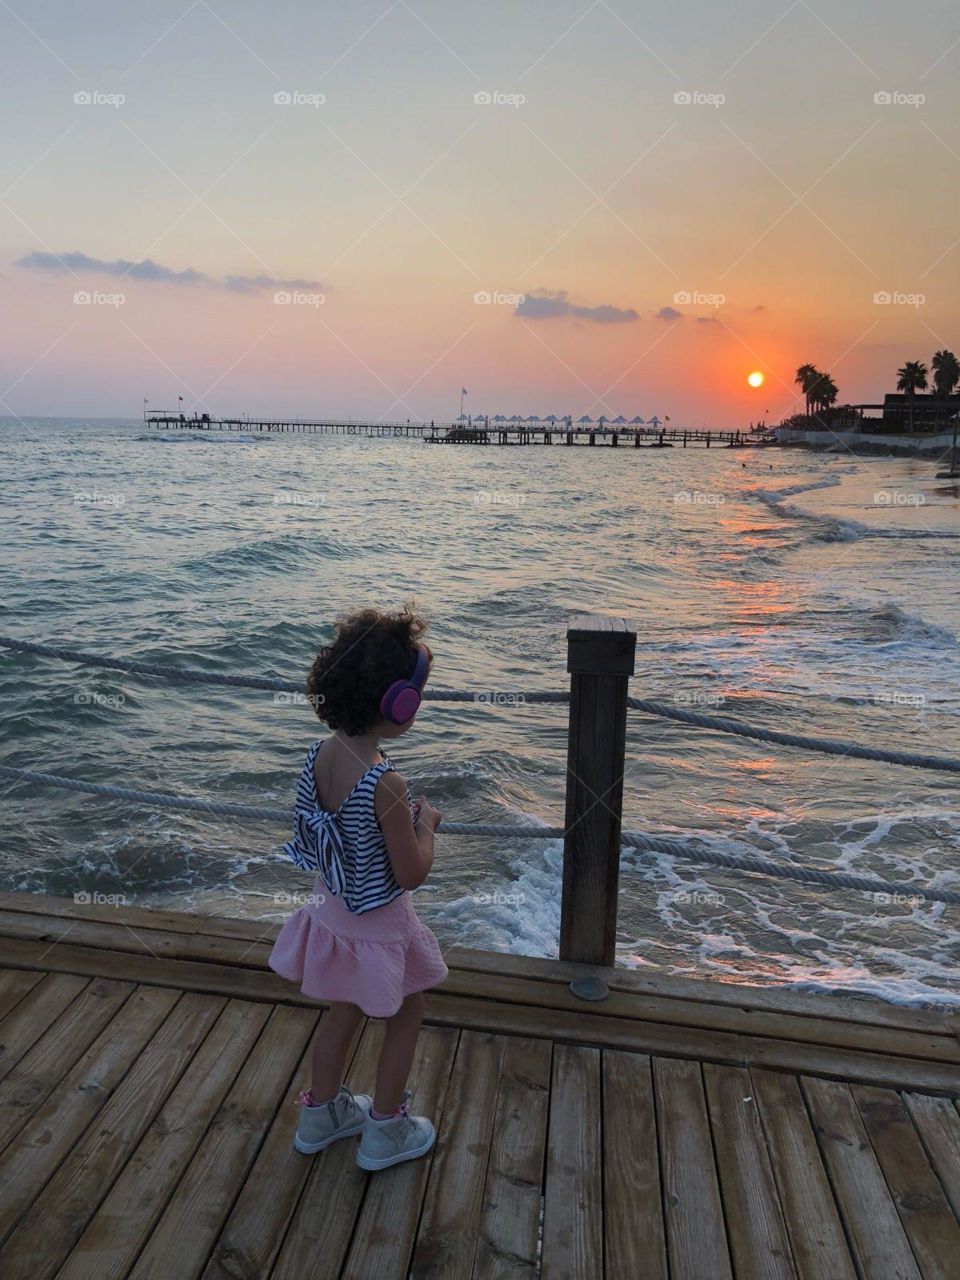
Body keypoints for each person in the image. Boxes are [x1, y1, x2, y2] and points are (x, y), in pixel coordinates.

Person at [269, 607, 447, 1170]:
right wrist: (427, 826)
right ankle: (385, 1130)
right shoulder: (386, 783)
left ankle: (321, 1116)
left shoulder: (320, 753)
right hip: (378, 926)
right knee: (407, 1013)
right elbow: (412, 872)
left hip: (331, 911)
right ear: (398, 704)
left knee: (340, 1012)